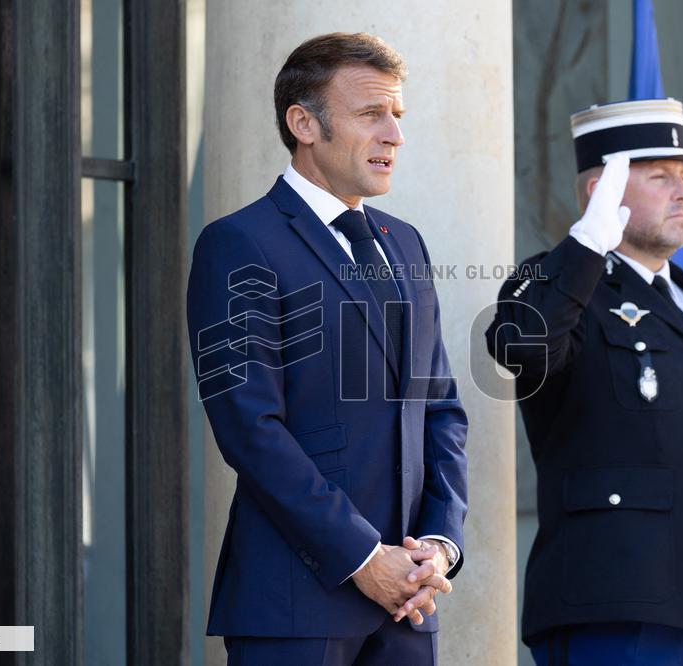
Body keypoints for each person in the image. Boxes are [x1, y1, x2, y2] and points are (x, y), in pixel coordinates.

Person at [186, 33, 468, 665]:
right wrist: (365, 559)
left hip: (408, 606)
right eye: (372, 114)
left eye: (399, 116)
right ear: (303, 123)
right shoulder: (237, 243)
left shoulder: (406, 244)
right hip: (293, 603)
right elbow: (250, 429)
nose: (394, 134)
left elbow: (440, 409)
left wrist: (439, 545)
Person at [486, 99, 683, 665]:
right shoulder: (552, 280)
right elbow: (524, 350)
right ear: (598, 192)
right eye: (659, 178)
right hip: (610, 598)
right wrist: (587, 244)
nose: (682, 192)